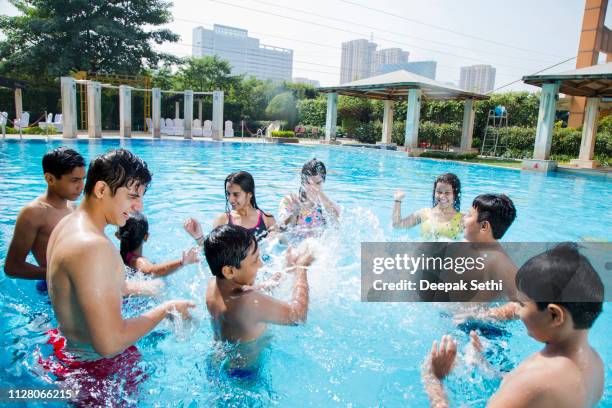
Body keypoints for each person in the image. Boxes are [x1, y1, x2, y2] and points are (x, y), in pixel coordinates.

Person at [45, 149, 194, 385]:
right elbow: (110, 344)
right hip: (94, 373)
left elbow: (89, 288)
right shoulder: (94, 247)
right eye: (133, 195)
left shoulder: (67, 224)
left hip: (69, 351)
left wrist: (142, 287)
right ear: (102, 189)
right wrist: (167, 308)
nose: (139, 206)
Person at [423, 243, 604, 408]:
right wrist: (485, 366)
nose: (518, 311)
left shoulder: (533, 381)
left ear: (555, 315)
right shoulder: (595, 364)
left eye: (522, 305)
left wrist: (435, 382)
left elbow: (526, 391)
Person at [204, 224, 313, 370]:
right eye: (255, 260)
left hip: (218, 362)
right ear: (229, 271)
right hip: (245, 379)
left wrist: (284, 272)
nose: (260, 265)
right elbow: (298, 316)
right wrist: (301, 268)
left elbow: (243, 291)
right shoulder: (249, 303)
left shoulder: (213, 286)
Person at [4, 147, 85, 284]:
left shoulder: (73, 207)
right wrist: (65, 276)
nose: (81, 186)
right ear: (50, 179)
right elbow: (12, 267)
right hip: (54, 288)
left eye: (83, 179)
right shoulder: (34, 213)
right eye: (74, 180)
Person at [184, 171, 276, 244]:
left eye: (236, 194)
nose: (230, 199)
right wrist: (199, 237)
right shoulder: (223, 221)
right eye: (228, 194)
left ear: (249, 194)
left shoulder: (267, 219)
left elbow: (280, 246)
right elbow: (211, 254)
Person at [116, 212, 199, 277]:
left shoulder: (115, 254)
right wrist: (182, 262)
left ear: (117, 235)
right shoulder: (137, 261)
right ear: (146, 237)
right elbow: (152, 271)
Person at [393, 173, 463, 241]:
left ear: (455, 194)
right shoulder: (424, 214)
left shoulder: (462, 220)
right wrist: (397, 200)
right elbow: (398, 225)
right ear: (434, 192)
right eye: (439, 192)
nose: (442, 196)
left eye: (447, 193)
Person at [278, 158, 339, 234]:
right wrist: (295, 213)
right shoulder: (289, 201)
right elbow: (280, 229)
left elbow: (338, 225)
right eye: (309, 183)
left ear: (323, 181)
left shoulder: (326, 205)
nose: (313, 188)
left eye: (318, 183)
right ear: (303, 182)